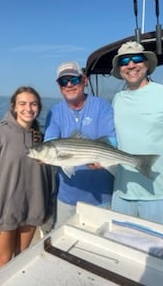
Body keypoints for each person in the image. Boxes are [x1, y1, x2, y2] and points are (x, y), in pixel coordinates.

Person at [0, 86, 55, 285]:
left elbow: (49, 178)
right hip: (5, 213)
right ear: (14, 107)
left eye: (33, 104)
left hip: (33, 211)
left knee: (21, 256)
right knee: (3, 260)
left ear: (39, 108)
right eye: (22, 103)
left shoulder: (43, 140)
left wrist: (46, 208)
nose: (28, 108)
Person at [110, 40, 163, 227]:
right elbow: (115, 139)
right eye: (124, 61)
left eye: (137, 59)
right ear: (119, 69)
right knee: (121, 249)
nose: (131, 65)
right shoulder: (117, 99)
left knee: (160, 253)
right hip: (122, 193)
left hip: (160, 194)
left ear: (147, 64)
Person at [44, 61, 116, 229]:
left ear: (84, 80)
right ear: (59, 86)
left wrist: (106, 160)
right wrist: (43, 154)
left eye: (74, 80)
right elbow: (50, 141)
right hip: (67, 197)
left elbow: (111, 140)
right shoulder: (54, 112)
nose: (69, 85)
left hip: (101, 195)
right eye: (63, 81)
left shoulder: (102, 106)